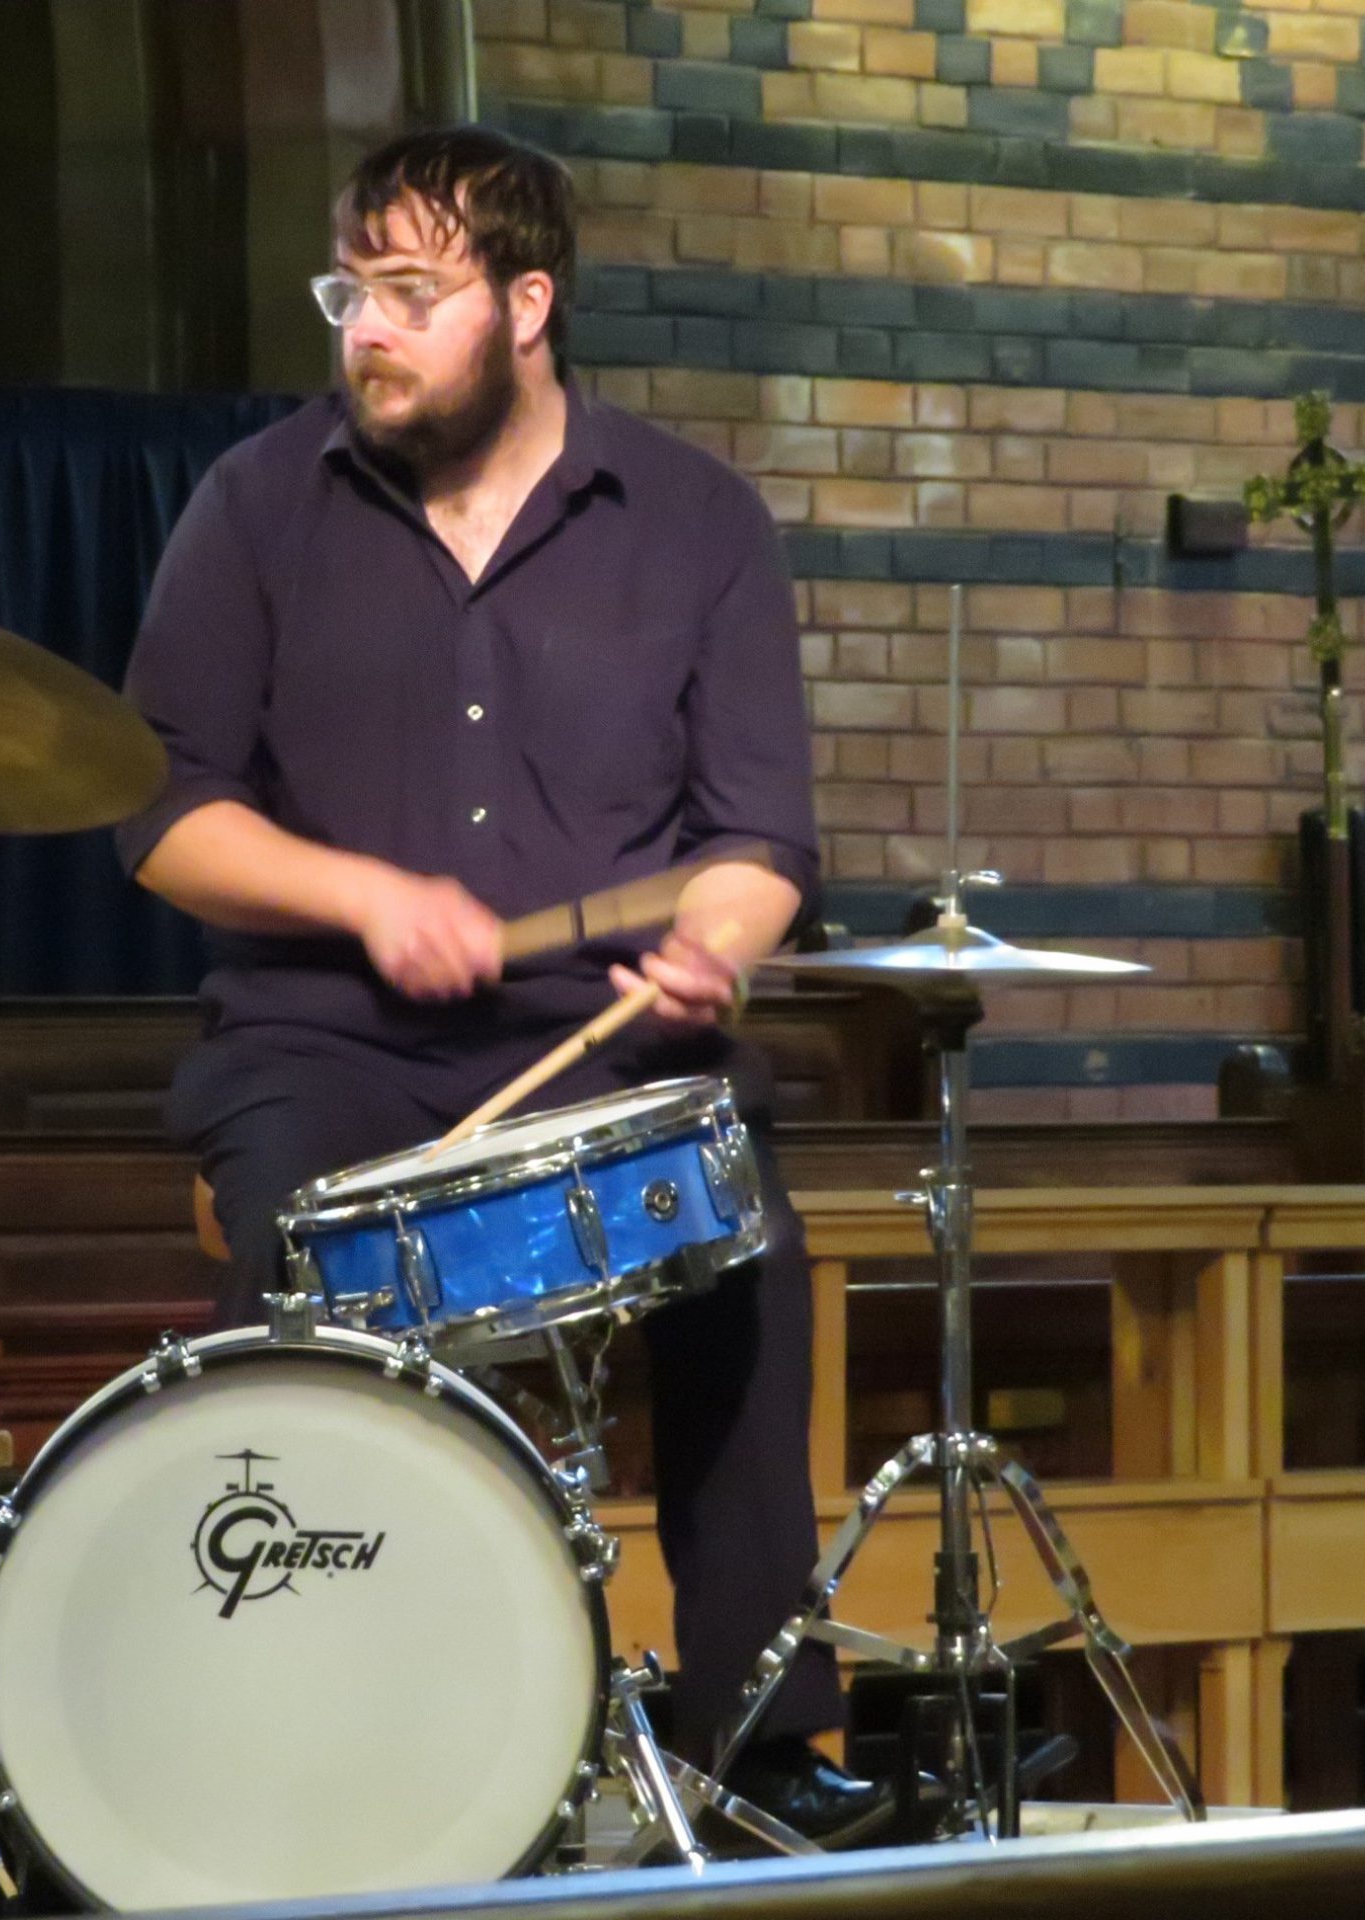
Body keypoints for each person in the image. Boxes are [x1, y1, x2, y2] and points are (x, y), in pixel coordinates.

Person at [113, 125, 873, 1847]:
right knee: (293, 1266)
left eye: (409, 292)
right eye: (351, 293)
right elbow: (161, 816)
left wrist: (717, 945)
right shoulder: (256, 506)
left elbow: (758, 836)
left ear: (529, 306)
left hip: (597, 1042)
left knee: (744, 1246)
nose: (366, 331)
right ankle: (299, 1738)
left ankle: (760, 1741)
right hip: (326, 1040)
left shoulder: (697, 523)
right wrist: (367, 897)